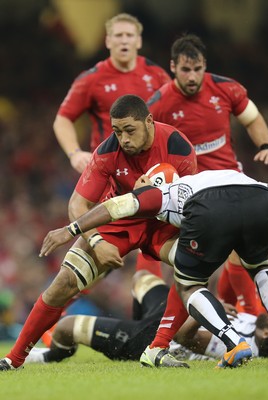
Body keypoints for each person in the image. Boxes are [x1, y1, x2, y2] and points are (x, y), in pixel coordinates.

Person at [0, 95, 197, 371]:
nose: (123, 139)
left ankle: (168, 346)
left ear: (149, 121)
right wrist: (96, 240)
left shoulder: (178, 147)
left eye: (130, 130)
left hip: (163, 222)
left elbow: (188, 205)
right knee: (64, 281)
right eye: (117, 131)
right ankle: (13, 359)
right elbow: (77, 204)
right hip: (118, 221)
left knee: (193, 267)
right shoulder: (107, 151)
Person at [37, 168, 268, 368]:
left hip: (168, 329)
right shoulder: (202, 179)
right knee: (143, 279)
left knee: (188, 285)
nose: (139, 184)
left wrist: (70, 230)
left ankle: (233, 343)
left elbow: (114, 207)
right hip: (260, 196)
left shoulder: (158, 194)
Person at [147, 33, 268, 319]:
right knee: (200, 264)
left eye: (197, 69)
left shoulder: (226, 88)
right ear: (173, 67)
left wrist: (266, 146)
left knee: (267, 255)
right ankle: (245, 320)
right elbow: (144, 143)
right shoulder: (159, 104)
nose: (192, 76)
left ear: (204, 65)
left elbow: (253, 118)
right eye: (185, 70)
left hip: (233, 181)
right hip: (192, 194)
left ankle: (255, 317)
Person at [53, 12, 171, 291]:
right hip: (107, 177)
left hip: (149, 173)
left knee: (153, 243)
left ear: (139, 40)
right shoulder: (91, 79)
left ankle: (153, 324)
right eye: (118, 35)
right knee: (90, 261)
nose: (124, 41)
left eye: (129, 35)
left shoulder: (157, 75)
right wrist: (74, 153)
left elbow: (171, 118)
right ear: (108, 40)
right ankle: (58, 318)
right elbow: (62, 118)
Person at [24, 271, 268, 365]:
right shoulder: (266, 329)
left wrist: (211, 307)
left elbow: (184, 335)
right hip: (162, 317)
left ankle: (49, 357)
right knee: (140, 278)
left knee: (65, 327)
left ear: (267, 334)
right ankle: (132, 331)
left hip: (164, 336)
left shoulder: (241, 343)